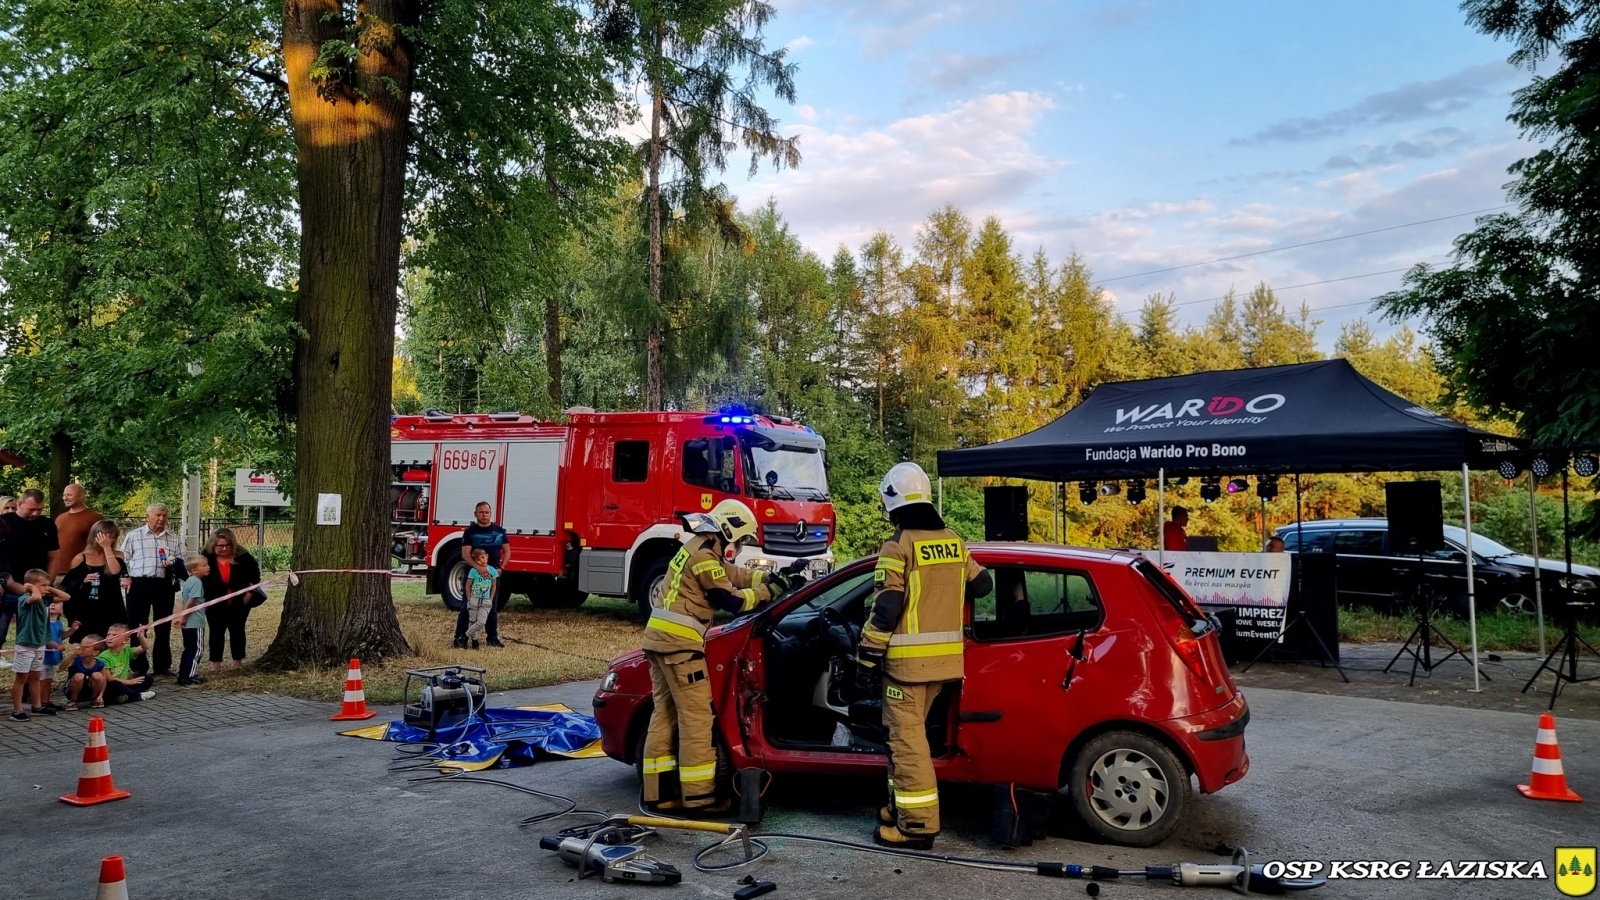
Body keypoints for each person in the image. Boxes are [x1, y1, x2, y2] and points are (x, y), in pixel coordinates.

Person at [856, 462, 990, 850]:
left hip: (907, 667)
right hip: (945, 665)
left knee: (906, 742)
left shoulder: (899, 546)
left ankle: (916, 826)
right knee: (908, 738)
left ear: (893, 501)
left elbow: (887, 607)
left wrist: (867, 653)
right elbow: (983, 584)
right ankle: (899, 807)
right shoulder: (953, 541)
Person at [640, 499, 798, 815]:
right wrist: (771, 592)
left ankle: (657, 794)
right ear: (729, 528)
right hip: (680, 646)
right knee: (697, 719)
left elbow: (734, 575)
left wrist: (777, 576)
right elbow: (729, 599)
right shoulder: (703, 555)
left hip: (658, 642)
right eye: (739, 540)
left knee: (665, 715)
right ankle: (699, 799)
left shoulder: (699, 547)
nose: (738, 547)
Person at [120, 503, 183, 678]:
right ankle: (138, 666)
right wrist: (125, 576)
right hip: (139, 583)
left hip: (163, 584)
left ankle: (162, 665)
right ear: (147, 516)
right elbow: (121, 559)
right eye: (157, 515)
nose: (161, 519)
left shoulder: (173, 537)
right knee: (137, 625)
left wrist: (172, 563)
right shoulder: (134, 536)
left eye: (164, 515)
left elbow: (181, 559)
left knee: (163, 625)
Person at [3, 489, 62, 660]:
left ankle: (31, 680)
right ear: (20, 504)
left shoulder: (47, 525)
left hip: (37, 590)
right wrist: (10, 583)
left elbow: (54, 556)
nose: (35, 513)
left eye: (40, 509)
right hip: (8, 587)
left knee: (35, 639)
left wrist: (47, 585)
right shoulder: (4, 523)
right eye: (31, 509)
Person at [202, 528, 263, 674]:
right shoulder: (205, 559)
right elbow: (199, 579)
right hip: (214, 602)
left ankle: (238, 662)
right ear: (212, 545)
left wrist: (248, 594)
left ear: (232, 544)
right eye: (219, 546)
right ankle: (215, 664)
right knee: (216, 631)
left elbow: (255, 577)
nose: (223, 549)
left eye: (226, 545)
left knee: (237, 630)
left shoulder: (244, 557)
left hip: (239, 602)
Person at [10, 569, 68, 720]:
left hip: (39, 644)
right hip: (26, 644)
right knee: (22, 678)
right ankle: (17, 711)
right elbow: (35, 597)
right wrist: (32, 588)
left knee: (36, 676)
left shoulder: (45, 599)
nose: (46, 588)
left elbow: (66, 597)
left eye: (47, 585)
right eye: (43, 585)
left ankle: (37, 706)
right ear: (30, 585)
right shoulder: (24, 599)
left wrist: (48, 588)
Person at [452, 502, 509, 649]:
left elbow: (507, 551)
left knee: (491, 607)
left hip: (492, 576)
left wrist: (501, 568)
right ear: (475, 514)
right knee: (467, 606)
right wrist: (478, 568)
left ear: (491, 513)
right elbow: (465, 554)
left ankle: (493, 639)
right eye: (481, 512)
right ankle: (460, 638)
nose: (484, 515)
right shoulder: (470, 532)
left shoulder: (499, 531)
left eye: (487, 512)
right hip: (473, 575)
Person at [62, 519, 127, 643]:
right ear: (95, 536)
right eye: (105, 537)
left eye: (112, 538)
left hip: (111, 606)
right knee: (87, 644)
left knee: (110, 643)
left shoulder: (117, 555)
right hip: (88, 607)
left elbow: (115, 571)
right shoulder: (81, 558)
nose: (108, 541)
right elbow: (68, 583)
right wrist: (82, 580)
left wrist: (107, 548)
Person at [52, 483, 103, 581]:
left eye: (69, 495)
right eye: (64, 495)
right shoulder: (60, 518)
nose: (65, 498)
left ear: (81, 496)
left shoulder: (95, 518)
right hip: (56, 573)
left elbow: (99, 547)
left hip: (80, 574)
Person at [98, 624, 155, 704]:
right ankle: (137, 696)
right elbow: (108, 678)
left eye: (114, 635)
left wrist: (141, 637)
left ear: (125, 640)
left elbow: (145, 647)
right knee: (115, 684)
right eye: (108, 634)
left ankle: (125, 697)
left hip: (124, 685)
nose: (109, 637)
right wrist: (129, 682)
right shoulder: (103, 656)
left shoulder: (127, 652)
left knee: (148, 679)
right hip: (110, 687)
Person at [176, 553, 209, 686]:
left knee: (188, 649)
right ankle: (189, 676)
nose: (208, 567)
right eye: (204, 565)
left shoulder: (189, 581)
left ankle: (183, 674)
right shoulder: (196, 582)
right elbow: (192, 600)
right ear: (194, 570)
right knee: (197, 649)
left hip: (188, 623)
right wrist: (184, 617)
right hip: (195, 622)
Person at [463, 548, 497, 650]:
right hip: (474, 598)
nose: (481, 560)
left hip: (486, 600)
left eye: (483, 557)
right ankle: (474, 641)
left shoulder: (492, 570)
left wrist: (490, 599)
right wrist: (469, 599)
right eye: (478, 559)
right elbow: (468, 585)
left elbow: (494, 585)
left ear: (487, 556)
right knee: (472, 620)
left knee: (481, 622)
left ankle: (466, 636)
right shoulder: (473, 571)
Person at [65, 636, 108, 709]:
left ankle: (94, 699)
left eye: (86, 647)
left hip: (91, 690)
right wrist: (73, 654)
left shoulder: (100, 664)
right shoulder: (76, 660)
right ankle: (73, 700)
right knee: (79, 676)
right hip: (73, 689)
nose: (81, 649)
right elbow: (62, 668)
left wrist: (100, 695)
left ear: (95, 652)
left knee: (98, 675)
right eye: (81, 645)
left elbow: (104, 681)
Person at [40, 599, 67, 711]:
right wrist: (56, 646)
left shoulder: (58, 623)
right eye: (50, 603)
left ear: (61, 610)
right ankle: (39, 702)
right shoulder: (42, 623)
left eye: (56, 604)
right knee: (41, 682)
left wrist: (73, 630)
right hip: (43, 658)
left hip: (53, 658)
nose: (52, 605)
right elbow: (44, 640)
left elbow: (62, 636)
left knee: (48, 681)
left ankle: (46, 701)